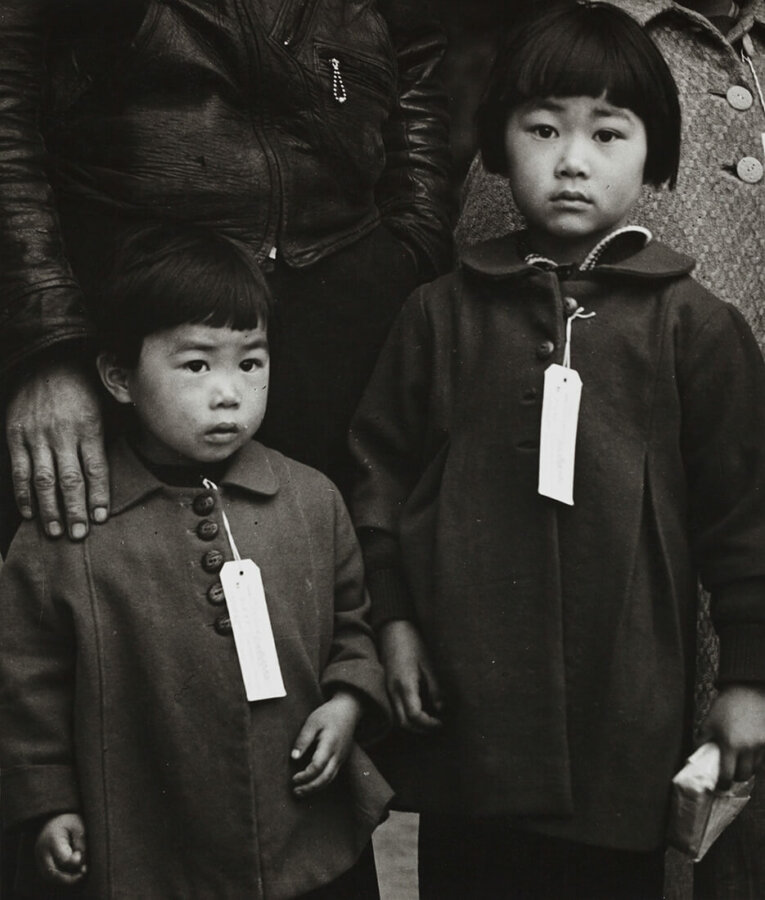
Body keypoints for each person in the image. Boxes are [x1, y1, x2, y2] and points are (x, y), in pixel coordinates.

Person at [349, 6, 765, 898]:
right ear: (497, 146)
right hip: (467, 725)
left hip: (624, 732)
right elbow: (376, 483)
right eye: (542, 128)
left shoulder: (695, 329)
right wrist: (393, 625)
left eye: (606, 133)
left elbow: (746, 520)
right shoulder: (440, 317)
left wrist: (747, 680)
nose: (571, 160)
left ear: (654, 156)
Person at [0, 225, 392, 899]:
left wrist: (348, 700)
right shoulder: (67, 533)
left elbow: (351, 622)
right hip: (147, 849)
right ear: (120, 377)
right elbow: (26, 687)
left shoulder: (311, 500)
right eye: (195, 365)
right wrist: (49, 804)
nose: (228, 393)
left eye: (250, 362)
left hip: (298, 834)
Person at [0, 0, 452, 552]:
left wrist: (411, 255)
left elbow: (414, 78)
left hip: (347, 327)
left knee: (336, 598)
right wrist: (47, 347)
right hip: (133, 323)